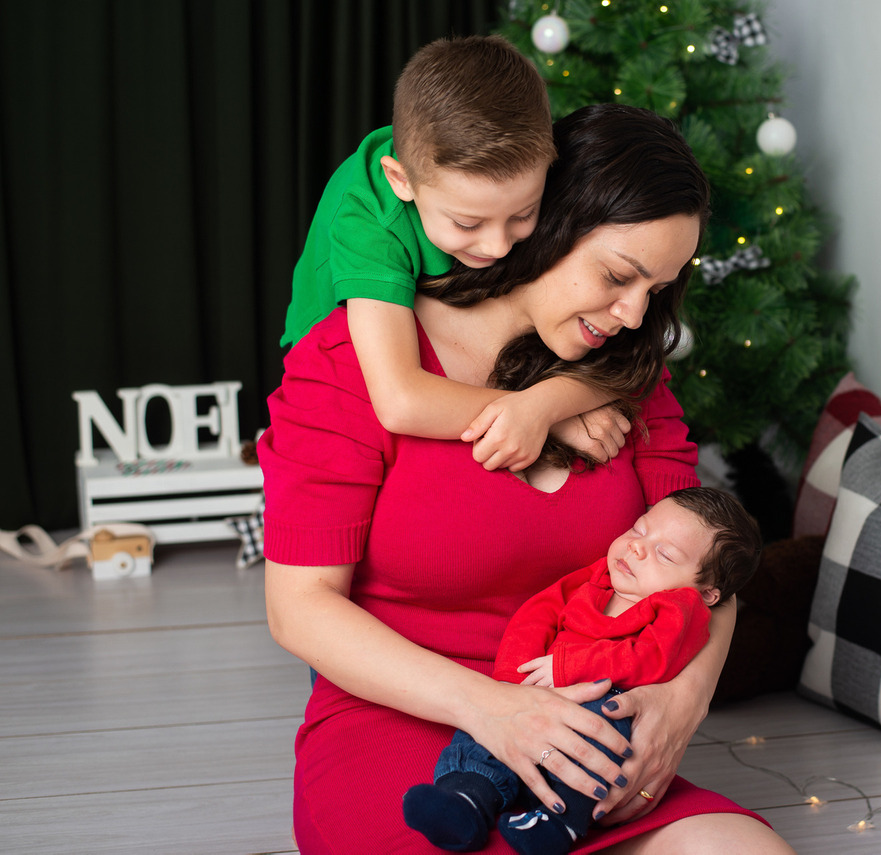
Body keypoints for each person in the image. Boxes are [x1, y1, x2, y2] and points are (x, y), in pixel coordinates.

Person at [261, 103, 796, 853]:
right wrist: (495, 710)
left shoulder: (626, 380)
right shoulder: (354, 364)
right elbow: (300, 609)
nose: (634, 312)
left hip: (580, 737)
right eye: (618, 275)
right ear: (546, 219)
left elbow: (711, 570)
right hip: (405, 723)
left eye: (659, 288)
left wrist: (680, 700)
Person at [281, 34, 626, 473]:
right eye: (467, 224)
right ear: (400, 181)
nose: (498, 247)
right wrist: (545, 414)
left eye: (524, 213)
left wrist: (547, 403)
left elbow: (633, 358)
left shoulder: (509, 167)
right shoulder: (370, 224)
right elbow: (401, 401)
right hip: (333, 372)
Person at [403, 487, 763, 854]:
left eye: (664, 554)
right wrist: (512, 683)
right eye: (639, 530)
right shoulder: (594, 578)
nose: (636, 547)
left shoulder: (680, 611)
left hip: (603, 700)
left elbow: (647, 657)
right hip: (535, 694)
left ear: (706, 593)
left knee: (603, 736)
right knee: (480, 733)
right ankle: (467, 797)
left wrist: (568, 667)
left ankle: (559, 821)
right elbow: (536, 616)